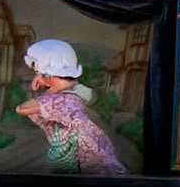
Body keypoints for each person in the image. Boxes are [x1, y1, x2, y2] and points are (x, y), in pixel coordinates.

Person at [17, 39, 124, 175]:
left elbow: (22, 108)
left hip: (83, 164)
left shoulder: (61, 101)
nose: (38, 77)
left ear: (49, 74)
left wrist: (41, 82)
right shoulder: (78, 91)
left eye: (38, 71)